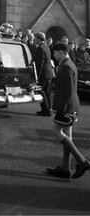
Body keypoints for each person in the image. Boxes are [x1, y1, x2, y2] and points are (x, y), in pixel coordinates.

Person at [45, 41, 90, 179]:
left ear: (61, 52)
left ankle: (82, 161)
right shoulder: (68, 64)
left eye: (55, 52)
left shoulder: (65, 67)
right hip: (71, 106)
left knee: (56, 131)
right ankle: (65, 169)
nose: (53, 55)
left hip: (67, 107)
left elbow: (67, 91)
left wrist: (60, 109)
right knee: (67, 135)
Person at [34, 31, 54, 116]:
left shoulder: (40, 48)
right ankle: (48, 108)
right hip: (49, 73)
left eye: (35, 38)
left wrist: (37, 76)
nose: (34, 39)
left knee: (42, 92)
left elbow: (40, 64)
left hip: (44, 74)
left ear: (39, 38)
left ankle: (46, 111)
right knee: (47, 92)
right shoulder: (46, 47)